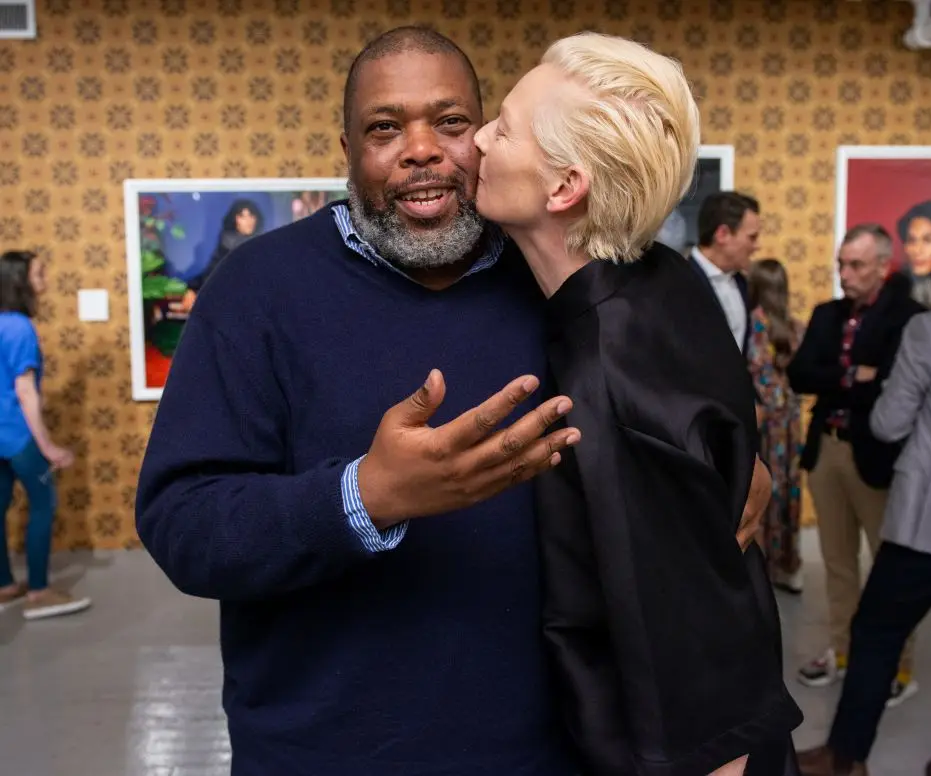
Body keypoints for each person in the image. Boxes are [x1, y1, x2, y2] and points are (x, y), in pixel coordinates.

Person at [136, 26, 772, 776]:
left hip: (555, 750)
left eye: (452, 122)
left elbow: (682, 419)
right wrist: (364, 498)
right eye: (384, 128)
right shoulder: (257, 291)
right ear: (345, 148)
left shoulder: (573, 282)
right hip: (326, 752)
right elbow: (183, 523)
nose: (421, 150)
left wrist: (729, 463)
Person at [474, 32, 801, 776]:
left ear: (564, 189)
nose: (480, 139)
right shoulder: (663, 277)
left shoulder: (604, 385)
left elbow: (680, 661)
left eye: (504, 126)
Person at [796, 236, 931, 776]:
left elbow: (888, 422)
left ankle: (845, 758)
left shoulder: (930, 328)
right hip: (846, 460)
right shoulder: (834, 314)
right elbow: (804, 373)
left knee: (874, 632)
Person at [788, 225, 924, 703]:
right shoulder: (827, 314)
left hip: (880, 458)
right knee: (838, 565)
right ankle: (842, 653)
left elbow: (894, 384)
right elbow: (799, 374)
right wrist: (851, 375)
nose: (845, 274)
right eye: (842, 264)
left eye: (856, 265)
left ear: (883, 265)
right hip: (826, 451)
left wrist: (852, 380)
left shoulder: (910, 318)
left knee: (891, 570)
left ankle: (896, 665)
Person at [0, 250, 91, 620]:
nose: (45, 280)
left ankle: (6, 585)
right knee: (43, 505)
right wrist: (49, 447)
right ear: (20, 280)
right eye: (39, 274)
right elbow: (25, 391)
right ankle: (38, 591)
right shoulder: (20, 327)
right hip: (19, 436)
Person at [747, 258, 805, 593]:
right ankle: (789, 564)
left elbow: (756, 373)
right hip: (790, 421)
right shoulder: (795, 327)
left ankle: (764, 566)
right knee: (788, 489)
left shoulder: (754, 325)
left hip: (763, 419)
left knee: (763, 487)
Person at [688, 192, 761, 356]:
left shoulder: (743, 283)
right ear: (722, 234)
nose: (757, 246)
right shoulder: (678, 281)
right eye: (752, 237)